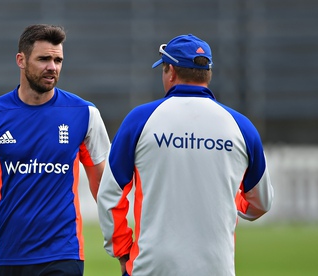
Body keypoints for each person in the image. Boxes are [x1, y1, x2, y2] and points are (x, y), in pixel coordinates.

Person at [97, 34, 274, 276]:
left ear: (170, 72)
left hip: (151, 267)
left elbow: (109, 195)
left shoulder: (139, 120)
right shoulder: (241, 127)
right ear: (207, 75)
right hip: (216, 267)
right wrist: (229, 201)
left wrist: (122, 250)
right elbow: (262, 203)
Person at [0, 24, 110, 276]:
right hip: (8, 255)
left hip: (63, 253)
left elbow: (102, 184)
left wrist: (121, 243)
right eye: (44, 59)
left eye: (58, 60)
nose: (52, 67)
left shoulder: (85, 114)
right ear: (21, 60)